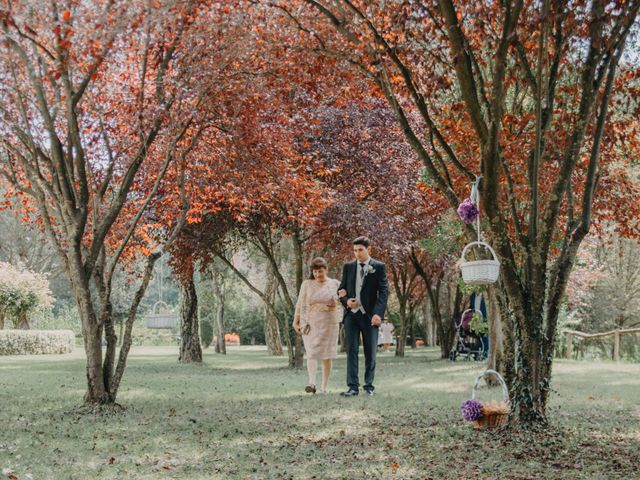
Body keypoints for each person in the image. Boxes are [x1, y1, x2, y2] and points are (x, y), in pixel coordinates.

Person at [337, 236, 389, 396]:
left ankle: (368, 387)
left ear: (369, 249)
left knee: (370, 352)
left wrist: (378, 314)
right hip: (351, 316)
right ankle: (352, 387)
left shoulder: (379, 267)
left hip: (370, 316)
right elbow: (341, 291)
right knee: (351, 351)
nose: (357, 253)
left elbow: (384, 292)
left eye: (360, 250)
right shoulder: (348, 267)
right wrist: (347, 302)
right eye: (354, 250)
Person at [293, 257, 342, 394]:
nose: (317, 274)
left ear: (326, 270)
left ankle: (324, 387)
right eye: (315, 272)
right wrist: (296, 320)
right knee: (312, 353)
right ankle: (312, 383)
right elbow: (300, 302)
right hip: (311, 322)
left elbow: (343, 300)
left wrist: (339, 299)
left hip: (330, 322)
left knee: (327, 355)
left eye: (320, 271)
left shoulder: (335, 284)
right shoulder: (307, 284)